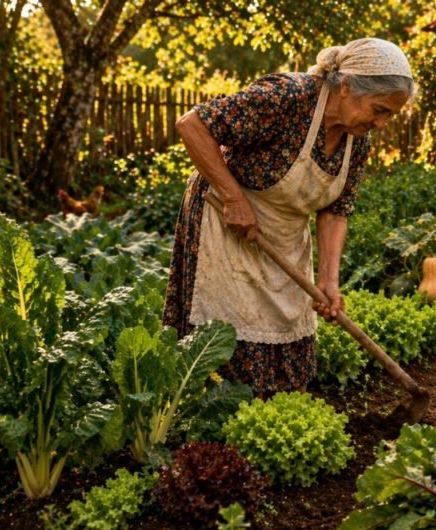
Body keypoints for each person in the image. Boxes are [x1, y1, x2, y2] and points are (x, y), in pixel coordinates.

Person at [163, 38, 415, 396]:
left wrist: (329, 281)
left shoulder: (356, 140)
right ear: (346, 86)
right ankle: (217, 416)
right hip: (224, 225)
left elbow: (336, 211)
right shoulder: (288, 98)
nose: (382, 122)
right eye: (379, 110)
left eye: (390, 115)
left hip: (284, 236)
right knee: (223, 335)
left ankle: (273, 415)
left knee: (287, 331)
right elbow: (192, 125)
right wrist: (233, 198)